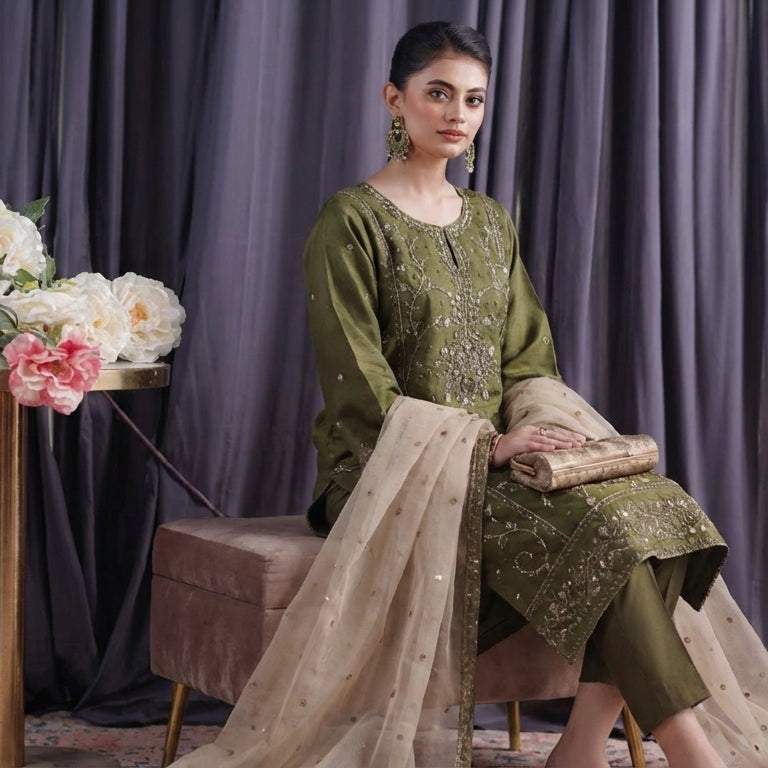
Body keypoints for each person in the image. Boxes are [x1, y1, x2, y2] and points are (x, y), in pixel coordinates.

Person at [170, 21, 767, 768]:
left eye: (475, 99)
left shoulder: (489, 222)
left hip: (506, 459)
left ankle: (579, 746)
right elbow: (358, 388)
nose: (457, 113)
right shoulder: (350, 222)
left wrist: (542, 431)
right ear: (396, 100)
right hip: (388, 464)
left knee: (657, 509)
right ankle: (691, 755)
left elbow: (527, 358)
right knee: (611, 536)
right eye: (438, 93)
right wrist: (486, 446)